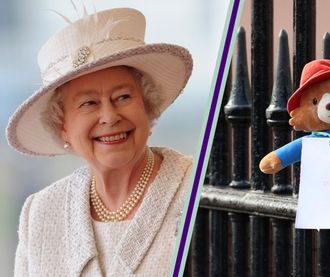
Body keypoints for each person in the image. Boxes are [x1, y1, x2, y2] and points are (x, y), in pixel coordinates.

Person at [7, 7, 193, 276]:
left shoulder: (194, 187)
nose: (109, 116)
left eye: (123, 97)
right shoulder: (40, 213)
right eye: (89, 103)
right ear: (63, 127)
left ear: (147, 106)